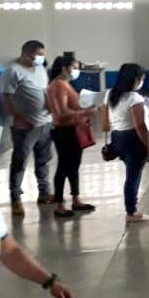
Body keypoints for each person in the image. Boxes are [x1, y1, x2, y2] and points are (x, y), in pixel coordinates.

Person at [2, 40, 54, 216]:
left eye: (42, 55)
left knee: (43, 160)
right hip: (24, 128)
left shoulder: (40, 69)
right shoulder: (12, 71)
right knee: (20, 163)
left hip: (45, 123)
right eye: (38, 54)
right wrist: (18, 118)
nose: (40, 58)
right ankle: (16, 199)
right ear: (25, 53)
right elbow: (6, 99)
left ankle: (44, 192)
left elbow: (45, 90)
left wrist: (51, 108)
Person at [46, 55, 97, 219]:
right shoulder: (58, 85)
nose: (77, 71)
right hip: (64, 131)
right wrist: (86, 111)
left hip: (73, 129)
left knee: (74, 165)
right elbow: (62, 113)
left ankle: (76, 199)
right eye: (74, 67)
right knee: (64, 166)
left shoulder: (64, 83)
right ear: (64, 68)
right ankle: (59, 204)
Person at [102, 64, 149, 223]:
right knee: (133, 177)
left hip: (117, 137)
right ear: (135, 79)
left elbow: (105, 124)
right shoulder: (134, 98)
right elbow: (140, 126)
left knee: (131, 175)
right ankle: (131, 212)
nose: (142, 82)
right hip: (133, 139)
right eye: (141, 79)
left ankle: (131, 210)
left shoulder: (110, 94)